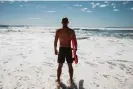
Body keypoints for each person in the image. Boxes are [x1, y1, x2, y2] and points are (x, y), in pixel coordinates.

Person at [54, 17, 77, 86]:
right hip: (68, 49)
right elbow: (75, 42)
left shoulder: (58, 31)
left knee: (60, 65)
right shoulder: (71, 31)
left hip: (62, 49)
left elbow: (55, 41)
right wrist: (75, 51)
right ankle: (71, 79)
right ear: (68, 22)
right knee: (70, 65)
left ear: (62, 22)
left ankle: (58, 79)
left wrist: (55, 49)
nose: (64, 23)